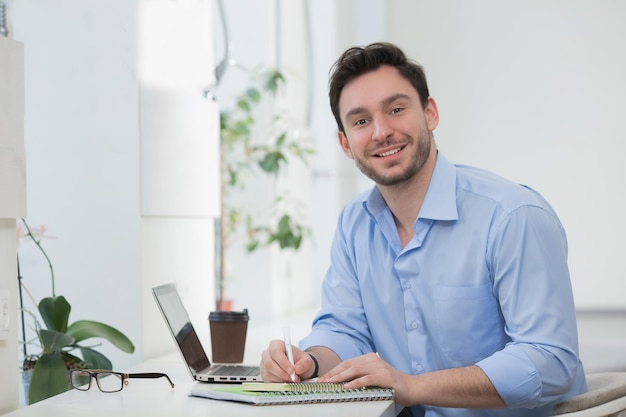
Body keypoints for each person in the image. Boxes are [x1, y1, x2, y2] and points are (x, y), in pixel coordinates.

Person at [260, 42, 587, 416]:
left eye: (396, 110)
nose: (381, 132)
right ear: (345, 144)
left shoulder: (513, 216)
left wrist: (413, 387)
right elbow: (344, 328)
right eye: (361, 121)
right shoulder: (355, 224)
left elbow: (549, 360)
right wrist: (309, 361)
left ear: (429, 113)